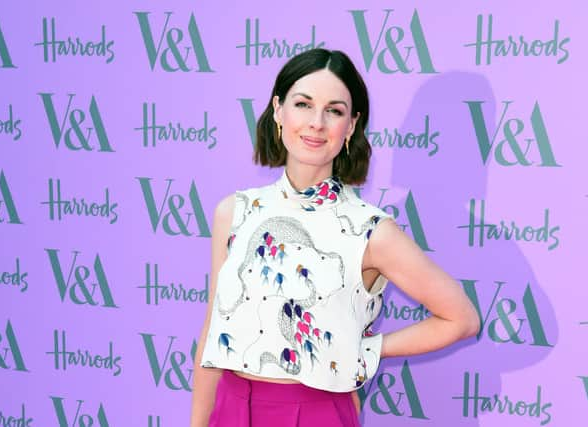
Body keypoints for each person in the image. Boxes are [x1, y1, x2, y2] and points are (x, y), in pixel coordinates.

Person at [190, 48, 480, 427]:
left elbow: (462, 319)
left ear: (353, 125)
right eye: (303, 104)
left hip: (314, 413)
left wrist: (366, 350)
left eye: (335, 110)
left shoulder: (369, 230)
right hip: (229, 407)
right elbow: (213, 333)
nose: (316, 123)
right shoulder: (235, 212)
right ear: (278, 110)